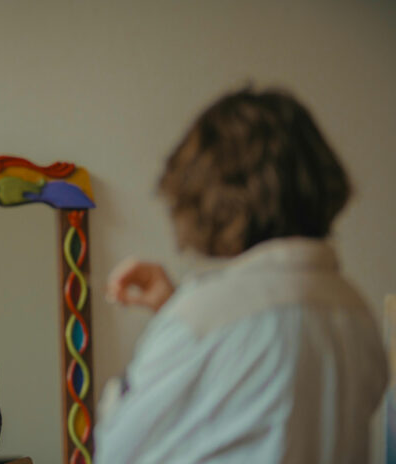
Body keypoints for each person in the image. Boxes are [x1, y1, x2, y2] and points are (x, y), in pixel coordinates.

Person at [96, 88, 388, 463]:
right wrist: (178, 308)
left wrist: (180, 317)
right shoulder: (356, 313)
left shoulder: (204, 320)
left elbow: (118, 453)